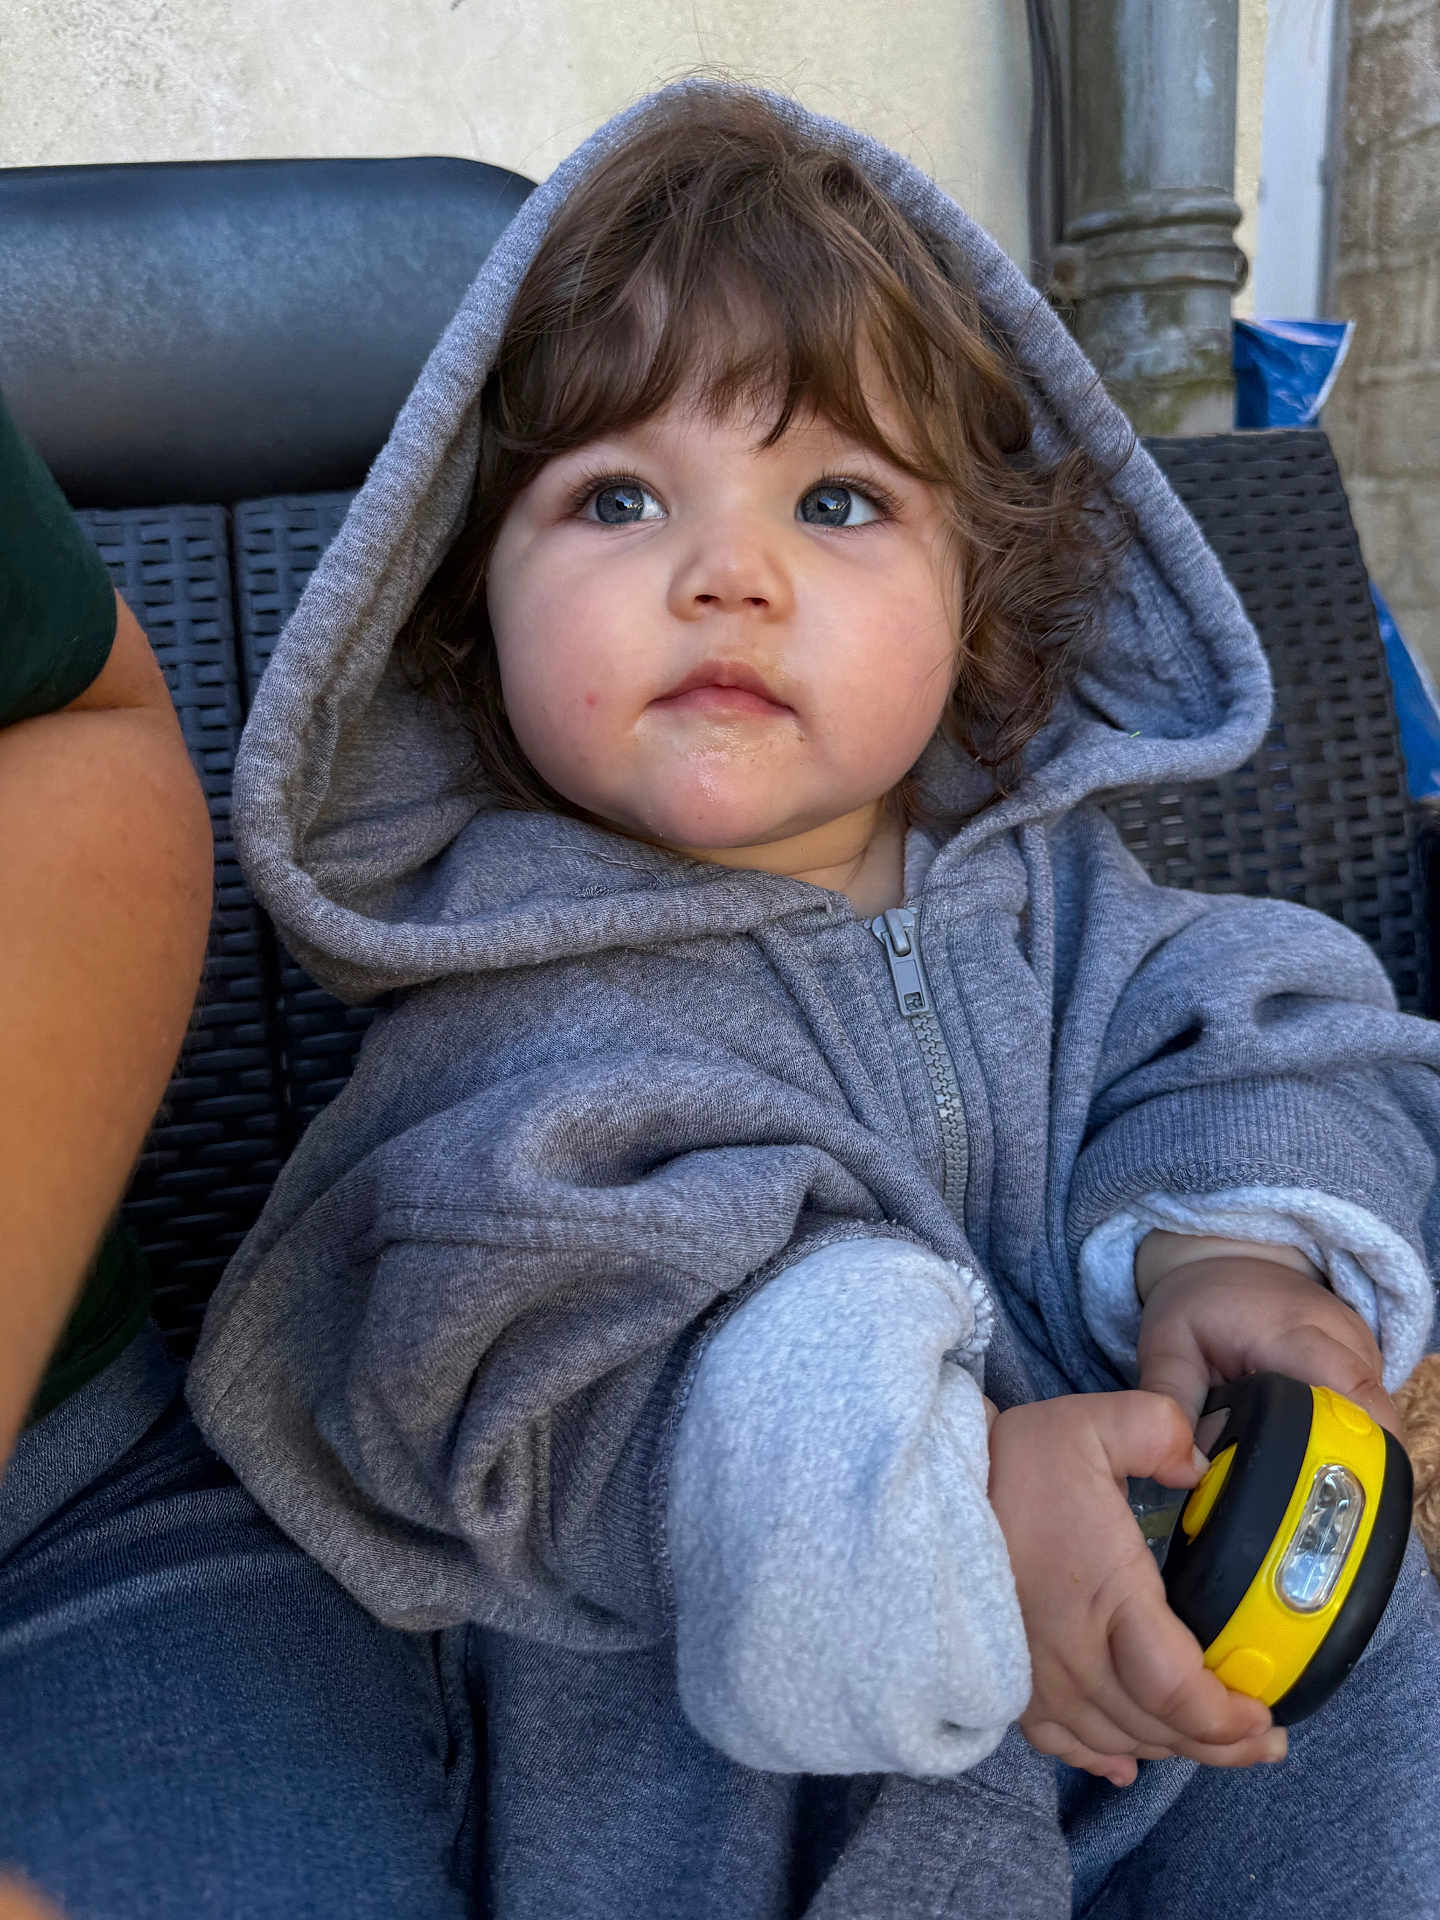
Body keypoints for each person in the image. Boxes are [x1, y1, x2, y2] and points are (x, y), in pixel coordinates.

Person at [187, 80, 1440, 1918]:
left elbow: (1259, 1025)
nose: (728, 574)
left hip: (1205, 1675)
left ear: (979, 599)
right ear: (465, 616)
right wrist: (930, 1506)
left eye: (837, 499)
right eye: (617, 498)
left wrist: (1226, 1249)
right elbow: (503, 1355)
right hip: (783, 1805)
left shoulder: (1055, 891)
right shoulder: (506, 1003)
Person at [0, 388, 476, 1916]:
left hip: (67, 1498)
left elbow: (62, 729)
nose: (730, 579)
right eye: (616, 504)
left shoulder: (1076, 924)